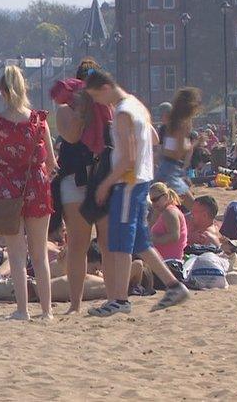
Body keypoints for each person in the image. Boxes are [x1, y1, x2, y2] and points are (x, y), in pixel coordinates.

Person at [85, 69, 190, 316]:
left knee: (121, 241)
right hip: (142, 180)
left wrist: (105, 184)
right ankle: (174, 286)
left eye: (96, 97)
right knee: (141, 241)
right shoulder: (138, 105)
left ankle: (120, 300)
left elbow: (128, 159)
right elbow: (153, 138)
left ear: (105, 89)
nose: (98, 103)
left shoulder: (122, 112)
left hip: (128, 182)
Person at [0, 65, 58, 321]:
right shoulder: (38, 121)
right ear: (24, 89)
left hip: (6, 189)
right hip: (37, 186)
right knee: (39, 253)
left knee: (16, 253)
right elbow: (51, 163)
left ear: (2, 92)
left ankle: (22, 310)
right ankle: (47, 311)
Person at [53, 57, 115, 314]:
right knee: (78, 244)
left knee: (107, 242)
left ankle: (113, 298)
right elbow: (72, 136)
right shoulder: (65, 109)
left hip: (100, 177)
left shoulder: (106, 108)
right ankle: (75, 304)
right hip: (76, 179)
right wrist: (81, 109)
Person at [156, 88, 201, 209]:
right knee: (193, 207)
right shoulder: (183, 123)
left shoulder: (172, 122)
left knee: (160, 208)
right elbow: (180, 149)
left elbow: (167, 148)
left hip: (166, 166)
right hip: (171, 169)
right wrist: (196, 143)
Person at [147, 183, 188, 261]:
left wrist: (153, 240)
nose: (153, 204)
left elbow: (174, 236)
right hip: (163, 259)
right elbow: (150, 228)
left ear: (165, 197)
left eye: (155, 200)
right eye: (151, 200)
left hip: (169, 261)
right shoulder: (163, 212)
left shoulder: (170, 212)